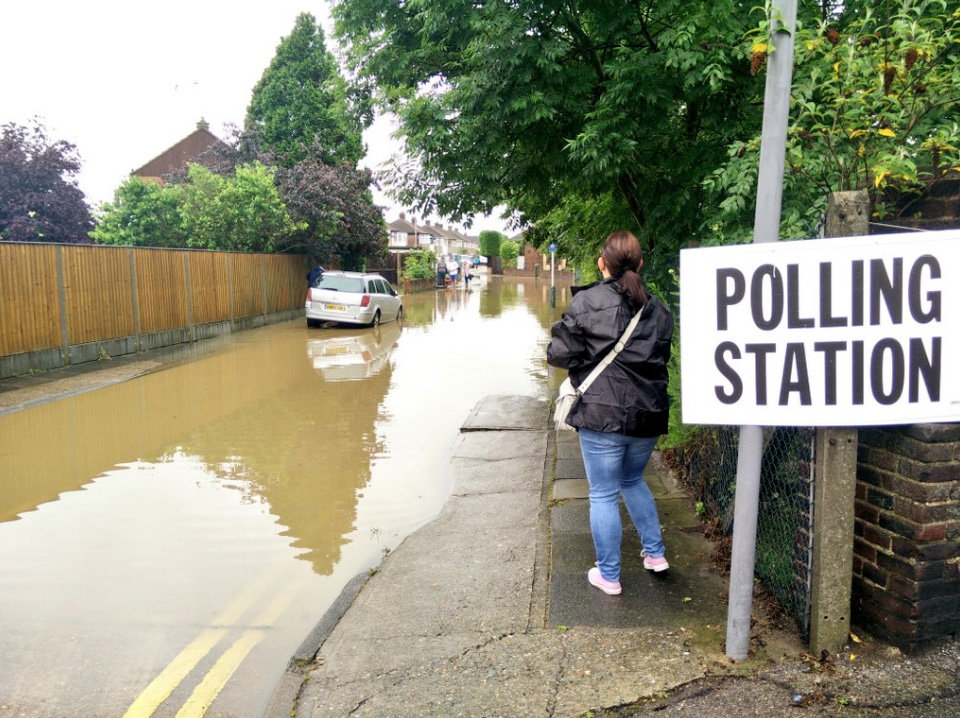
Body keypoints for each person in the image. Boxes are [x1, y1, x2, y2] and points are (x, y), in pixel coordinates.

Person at [546, 230, 673, 596]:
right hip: (648, 414)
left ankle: (609, 575)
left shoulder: (586, 302)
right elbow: (659, 360)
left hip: (601, 415)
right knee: (632, 480)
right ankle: (655, 555)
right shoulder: (659, 309)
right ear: (641, 264)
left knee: (602, 493)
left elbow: (561, 356)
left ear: (602, 264)